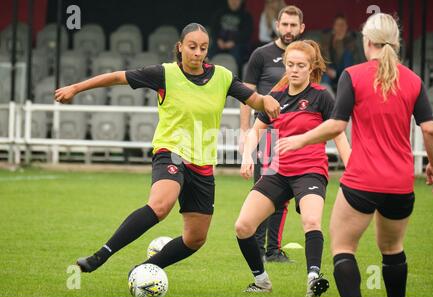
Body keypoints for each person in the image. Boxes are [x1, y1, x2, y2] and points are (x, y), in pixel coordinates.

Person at [54, 23, 280, 274]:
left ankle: (145, 270)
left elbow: (256, 100)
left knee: (195, 239)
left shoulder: (223, 77)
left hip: (203, 162)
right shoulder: (164, 73)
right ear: (180, 47)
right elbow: (118, 76)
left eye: (203, 48)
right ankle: (100, 256)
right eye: (192, 47)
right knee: (161, 205)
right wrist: (76, 87)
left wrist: (267, 99)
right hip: (170, 151)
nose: (197, 52)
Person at [275, 13, 433, 297]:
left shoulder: (353, 75)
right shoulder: (413, 80)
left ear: (367, 41)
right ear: (395, 42)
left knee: (343, 247)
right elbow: (430, 130)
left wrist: (299, 139)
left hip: (362, 179)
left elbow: (337, 125)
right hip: (400, 183)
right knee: (392, 250)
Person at [235, 40, 352, 297]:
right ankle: (262, 280)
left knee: (311, 220)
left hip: (310, 170)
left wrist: (352, 169)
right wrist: (247, 156)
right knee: (243, 226)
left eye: (301, 65)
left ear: (311, 67)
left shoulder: (322, 97)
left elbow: (339, 136)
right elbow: (257, 131)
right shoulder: (273, 99)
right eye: (290, 65)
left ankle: (313, 278)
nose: (295, 70)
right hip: (277, 172)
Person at [240, 5, 305, 263]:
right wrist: (245, 131)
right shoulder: (261, 55)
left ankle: (273, 250)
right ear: (277, 25)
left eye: (293, 25)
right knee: (264, 192)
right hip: (266, 133)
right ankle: (258, 250)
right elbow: (246, 96)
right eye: (285, 24)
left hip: (295, 136)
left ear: (302, 27)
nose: (288, 30)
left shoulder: (308, 55)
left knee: (284, 197)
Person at [209, 0, 253, 71]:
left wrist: (233, 42)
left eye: (236, 0)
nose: (234, 2)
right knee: (208, 52)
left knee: (239, 53)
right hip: (219, 43)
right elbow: (214, 29)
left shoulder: (246, 15)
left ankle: (238, 76)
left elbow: (246, 33)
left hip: (236, 44)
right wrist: (218, 40)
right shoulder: (220, 13)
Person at [321, 15, 360, 91]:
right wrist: (327, 69)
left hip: (347, 73)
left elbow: (355, 61)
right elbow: (321, 58)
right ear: (334, 27)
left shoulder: (351, 41)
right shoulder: (326, 40)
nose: (340, 28)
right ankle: (326, 97)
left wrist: (340, 41)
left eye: (342, 25)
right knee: (325, 77)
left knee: (348, 54)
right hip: (330, 72)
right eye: (338, 25)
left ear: (346, 27)